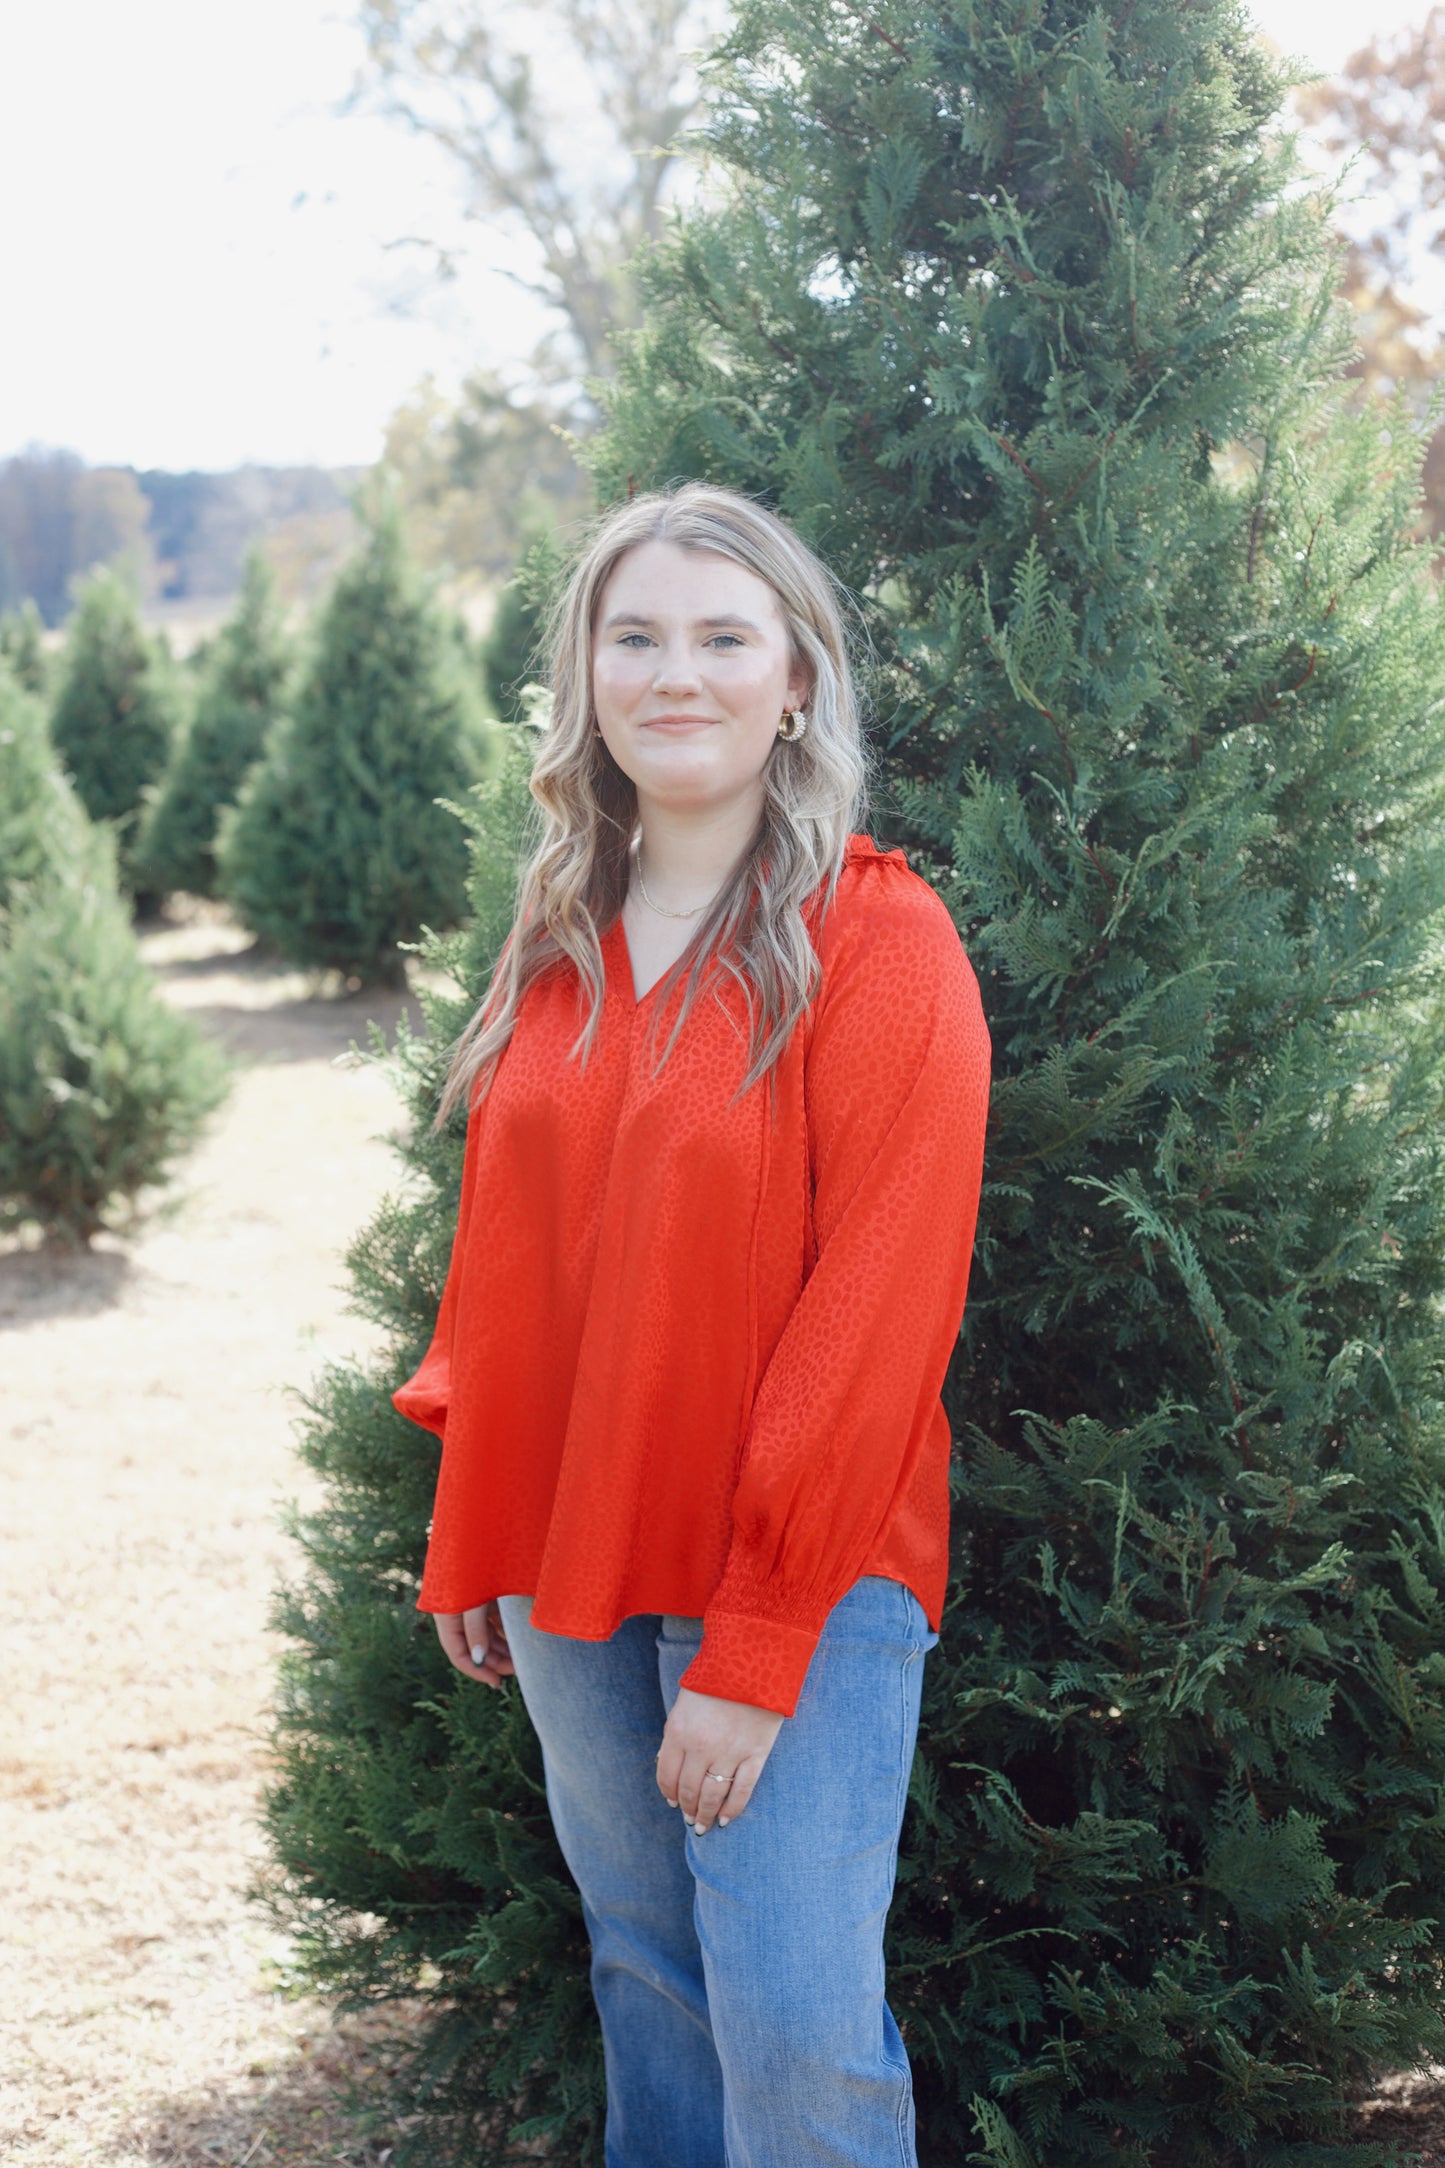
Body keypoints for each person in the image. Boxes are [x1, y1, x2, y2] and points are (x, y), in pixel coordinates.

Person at [392, 481, 992, 2168]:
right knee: (649, 1985)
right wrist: (480, 1516)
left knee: (797, 2043)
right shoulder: (562, 932)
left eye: (723, 637)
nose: (677, 674)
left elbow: (879, 1313)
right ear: (583, 674)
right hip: (568, 1558)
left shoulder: (877, 941)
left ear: (793, 677)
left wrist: (755, 1648)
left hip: (797, 1580)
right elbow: (515, 1258)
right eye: (633, 635)